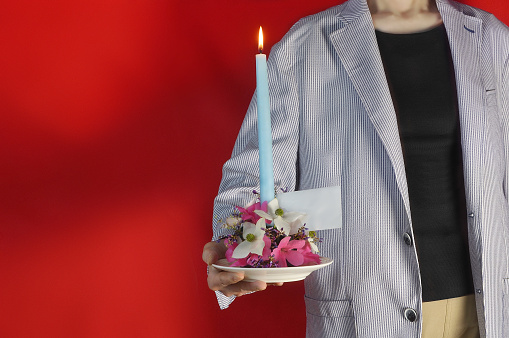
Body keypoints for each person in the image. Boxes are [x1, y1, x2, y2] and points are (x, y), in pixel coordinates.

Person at [202, 0, 509, 336]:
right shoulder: (303, 46)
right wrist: (234, 249)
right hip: (365, 313)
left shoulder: (490, 38)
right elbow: (252, 183)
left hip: (487, 309)